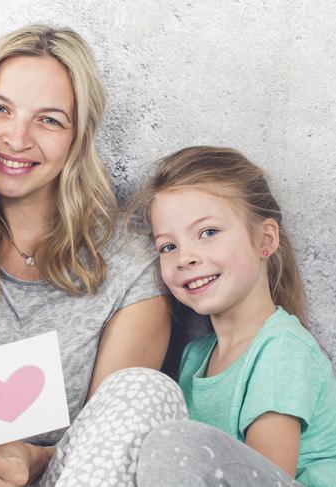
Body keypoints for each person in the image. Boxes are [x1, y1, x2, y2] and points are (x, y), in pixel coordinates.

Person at [0, 25, 182, 487]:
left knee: (146, 389)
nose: (17, 139)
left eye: (49, 120)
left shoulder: (128, 261)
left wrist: (30, 460)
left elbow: (111, 434)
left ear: (79, 136)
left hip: (68, 478)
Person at [128, 146, 336, 486]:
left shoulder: (283, 351)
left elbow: (264, 477)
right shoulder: (196, 356)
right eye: (168, 246)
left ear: (264, 239)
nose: (185, 258)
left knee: (169, 442)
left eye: (207, 233)